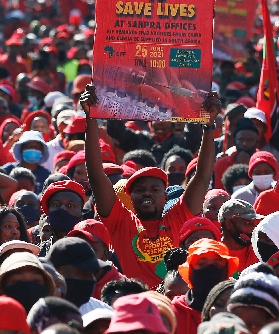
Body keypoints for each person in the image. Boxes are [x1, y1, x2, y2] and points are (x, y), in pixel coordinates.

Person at [81, 85, 220, 288]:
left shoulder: (179, 217)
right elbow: (95, 173)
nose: (147, 192)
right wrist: (91, 118)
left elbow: (202, 175)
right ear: (130, 197)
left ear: (165, 196)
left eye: (155, 190)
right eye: (140, 190)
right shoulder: (120, 221)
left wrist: (208, 125)